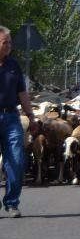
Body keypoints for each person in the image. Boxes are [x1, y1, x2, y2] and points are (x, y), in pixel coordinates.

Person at [0, 26, 39, 218]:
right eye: (4, 42)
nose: (8, 46)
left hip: (11, 117)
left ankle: (12, 202)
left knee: (16, 160)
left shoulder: (13, 65)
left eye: (10, 42)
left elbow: (22, 93)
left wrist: (31, 115)